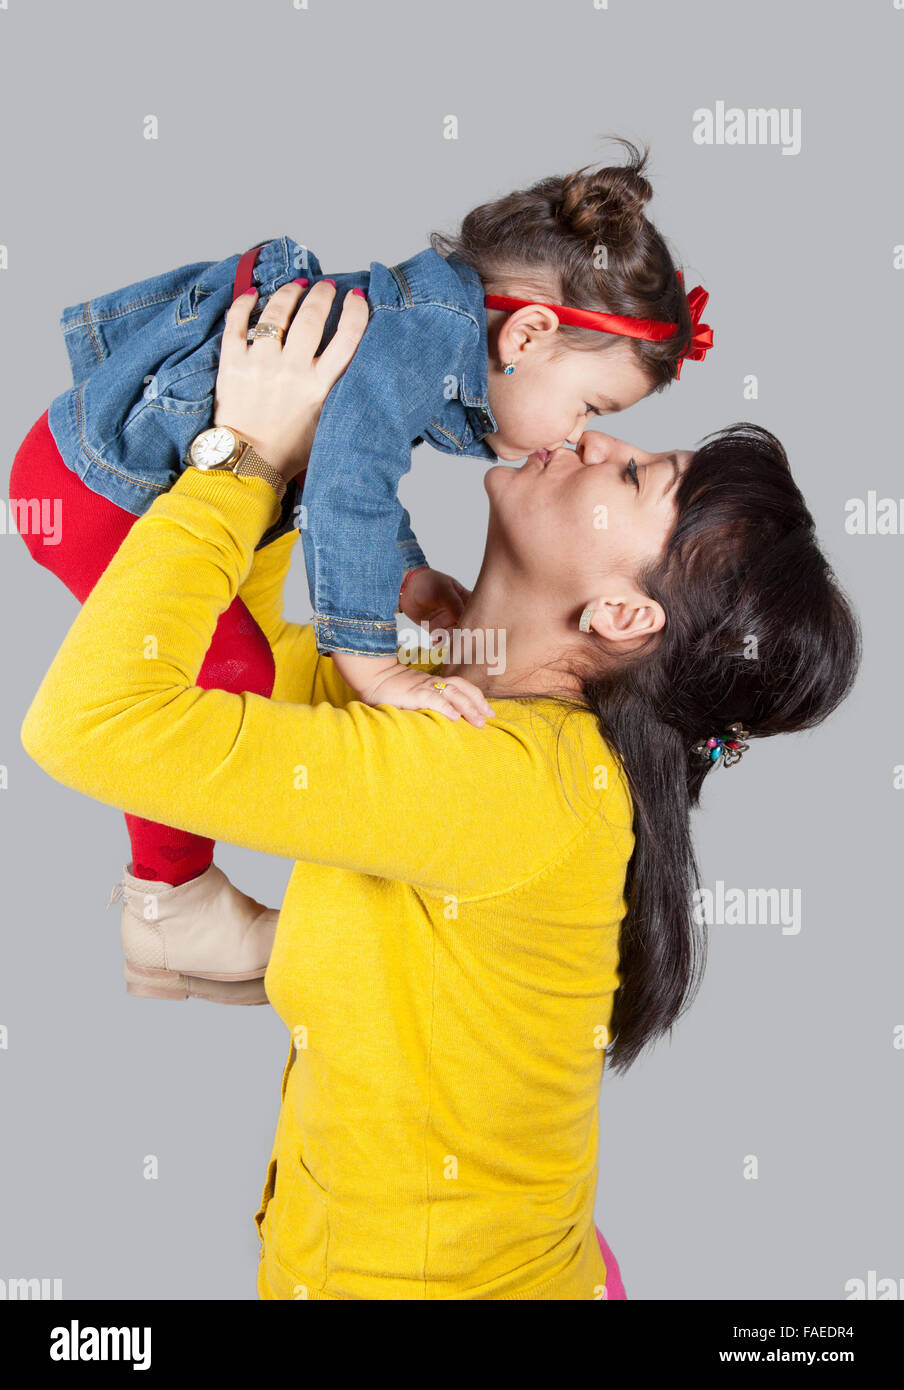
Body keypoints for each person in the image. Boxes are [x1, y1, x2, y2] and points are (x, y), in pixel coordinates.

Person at [20, 280, 859, 1300]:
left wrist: (239, 458)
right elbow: (225, 663)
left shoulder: (510, 783)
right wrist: (301, 459)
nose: (597, 441)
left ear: (624, 616)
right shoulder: (447, 697)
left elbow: (91, 722)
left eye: (636, 474)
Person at [9, 143, 712, 997]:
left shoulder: (419, 330)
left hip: (88, 471)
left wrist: (404, 579)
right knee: (229, 671)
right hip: (96, 488)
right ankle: (171, 902)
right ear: (527, 335)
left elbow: (352, 481)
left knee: (234, 661)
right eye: (589, 406)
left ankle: (171, 905)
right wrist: (373, 663)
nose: (580, 438)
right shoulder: (416, 346)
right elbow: (346, 489)